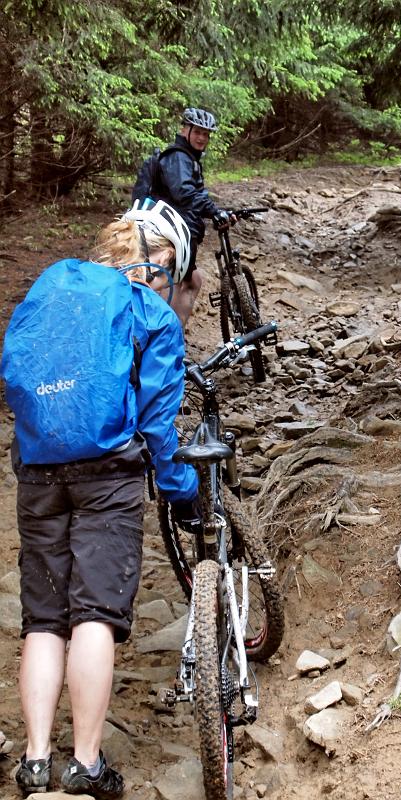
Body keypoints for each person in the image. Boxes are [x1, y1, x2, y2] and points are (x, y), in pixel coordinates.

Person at [1, 201, 201, 797]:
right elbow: (160, 425)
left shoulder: (55, 285)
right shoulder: (148, 312)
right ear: (160, 262)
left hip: (38, 470)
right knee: (94, 615)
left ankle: (35, 760)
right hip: (106, 477)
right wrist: (179, 489)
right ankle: (85, 764)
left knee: (43, 617)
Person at [133, 107, 235, 328]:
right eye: (198, 132)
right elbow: (185, 193)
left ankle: (171, 340)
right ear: (185, 129)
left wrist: (217, 210)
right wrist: (214, 211)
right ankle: (159, 341)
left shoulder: (187, 158)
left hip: (176, 231)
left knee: (191, 280)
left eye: (206, 134)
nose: (202, 138)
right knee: (169, 284)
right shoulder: (178, 157)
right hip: (169, 234)